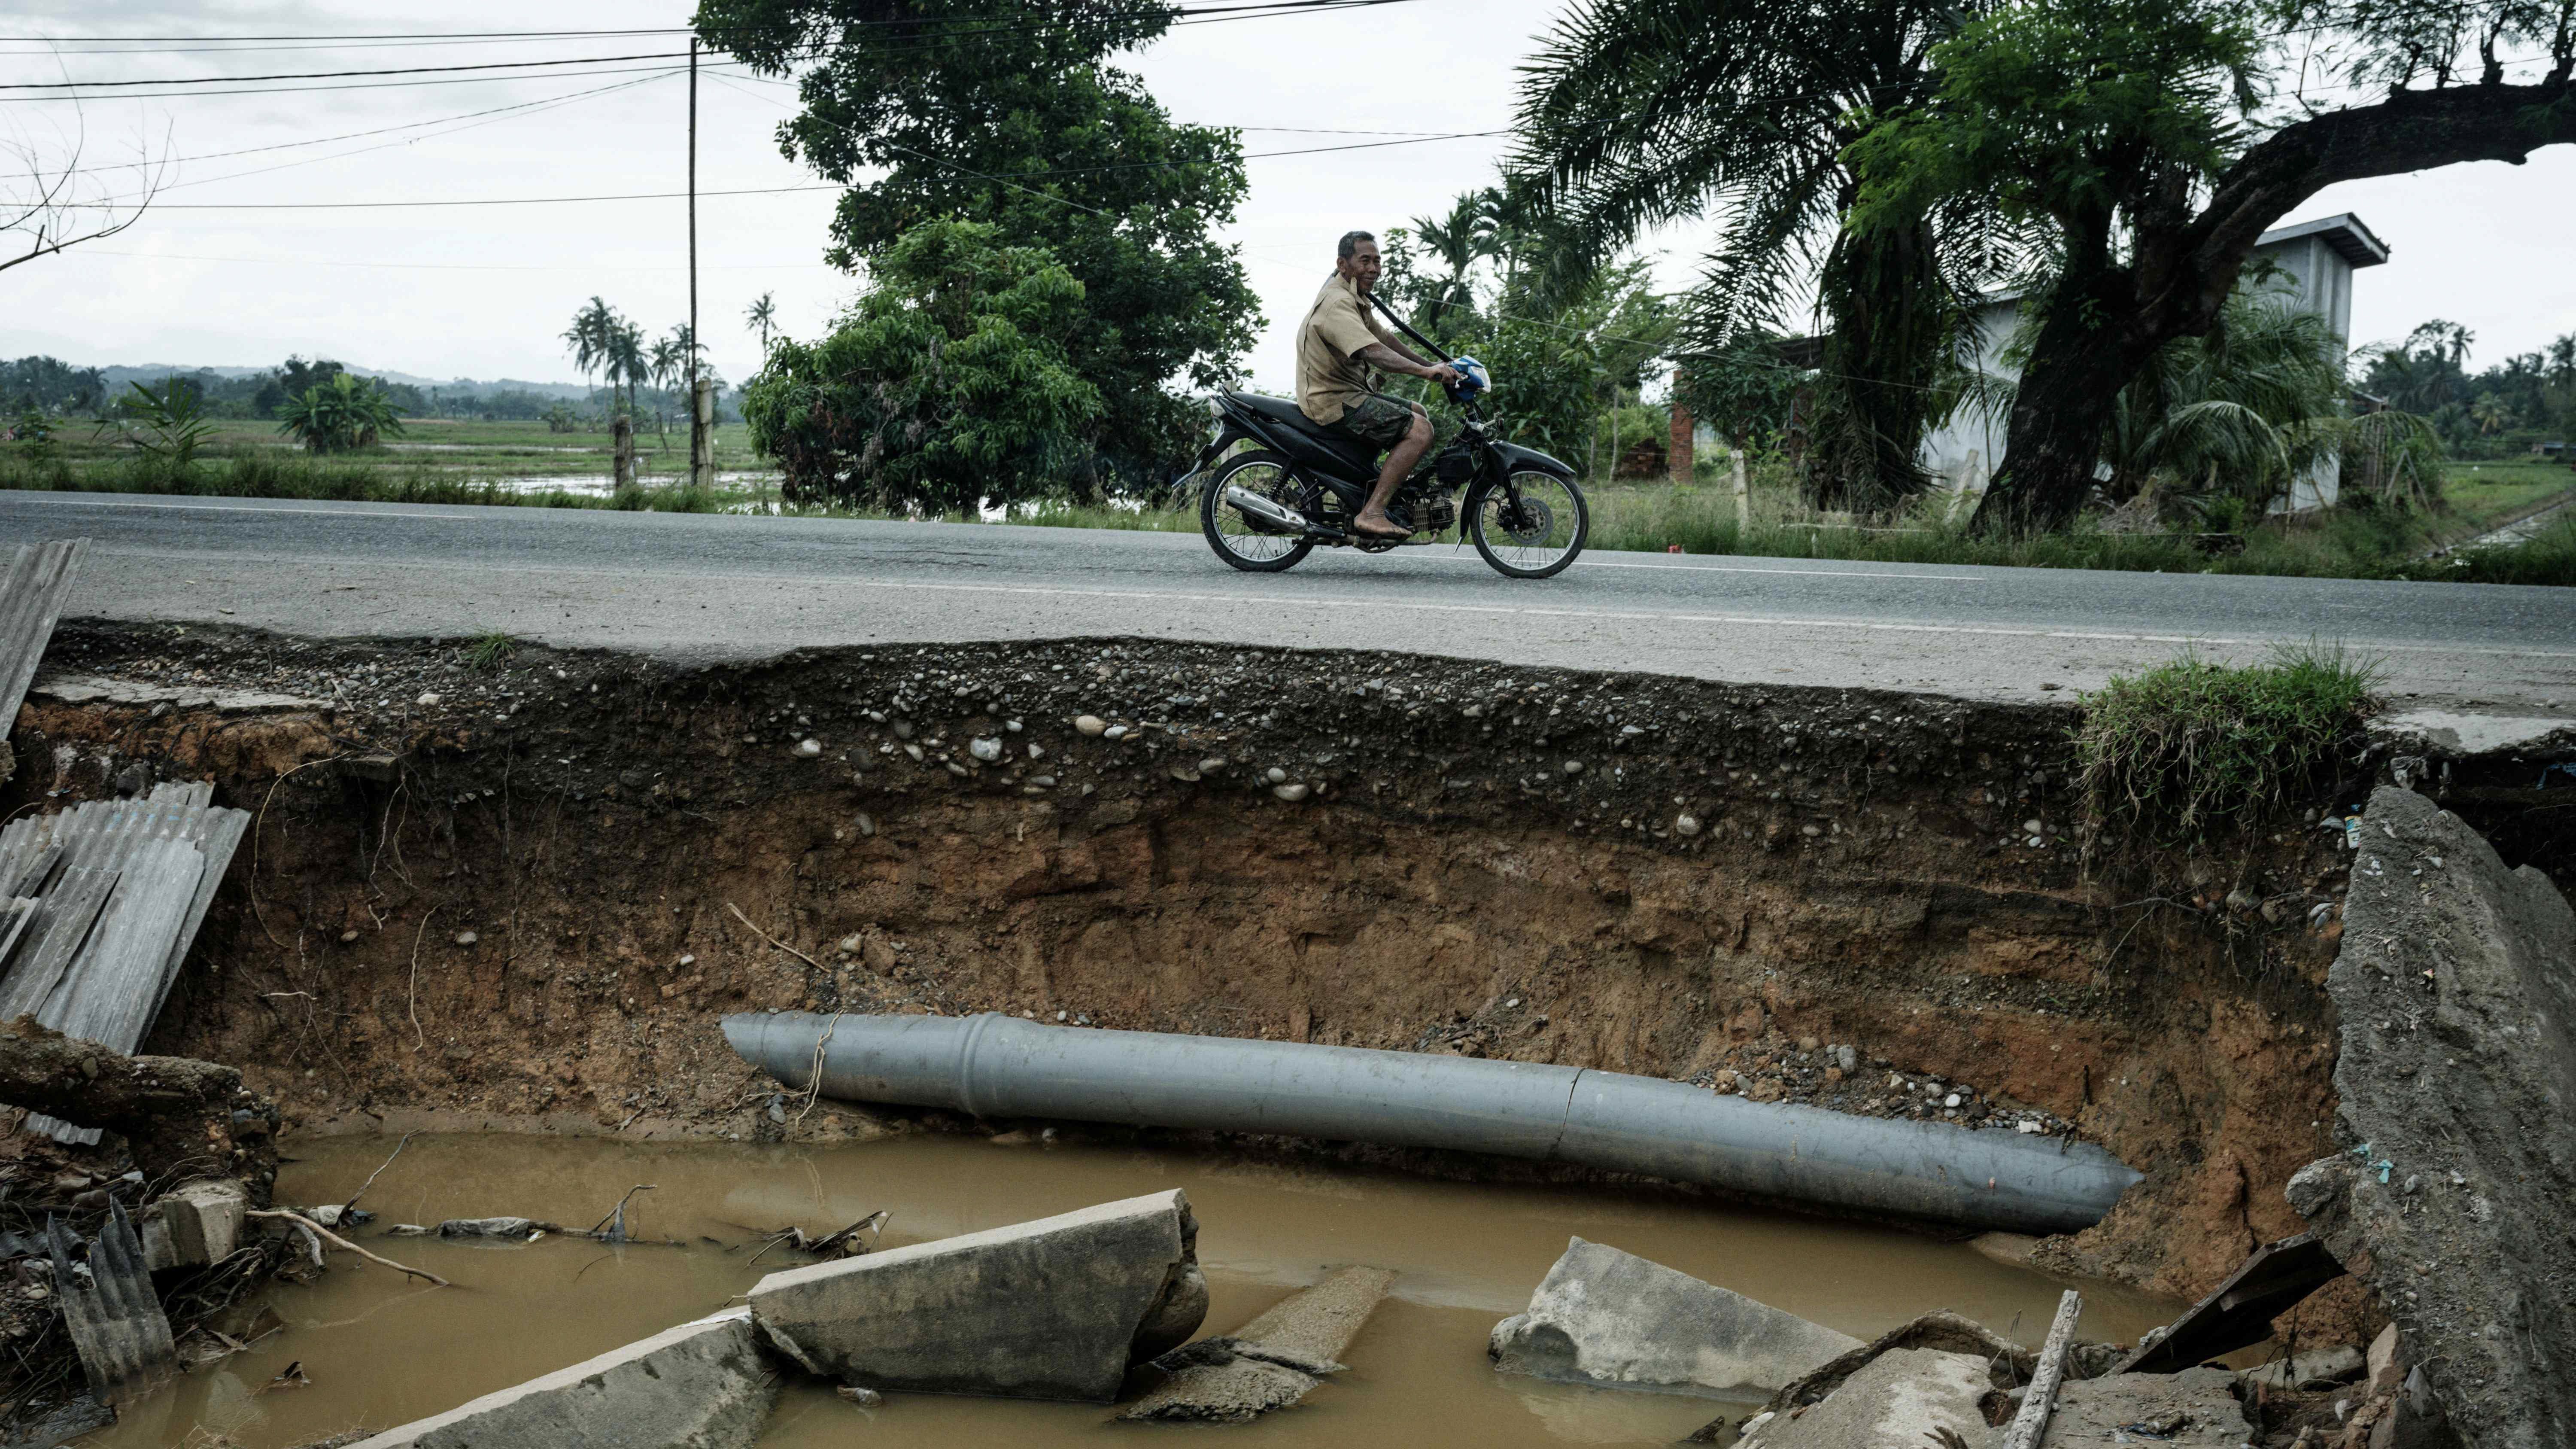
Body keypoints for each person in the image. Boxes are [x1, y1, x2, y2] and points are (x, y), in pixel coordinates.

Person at [1297, 230, 1461, 539]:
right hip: (1334, 401)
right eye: (1365, 261)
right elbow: (1372, 351)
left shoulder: (1353, 297)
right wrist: (1425, 374)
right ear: (1343, 264)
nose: (1374, 269)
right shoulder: (1337, 304)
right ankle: (1372, 512)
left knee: (1418, 412)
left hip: (1348, 394)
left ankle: (1384, 489)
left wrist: (1432, 365)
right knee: (1421, 431)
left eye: (1377, 261)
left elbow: (1384, 338)